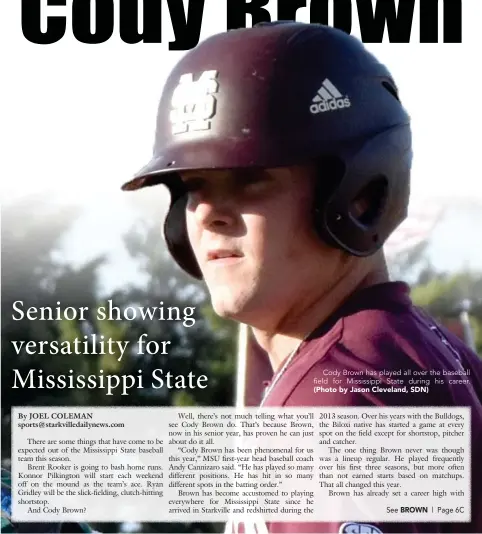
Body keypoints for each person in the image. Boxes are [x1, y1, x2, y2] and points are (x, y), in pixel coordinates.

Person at [122, 22, 482, 534]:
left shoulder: (325, 411)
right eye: (193, 185)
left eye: (250, 179)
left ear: (361, 195)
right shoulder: (423, 352)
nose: (207, 214)